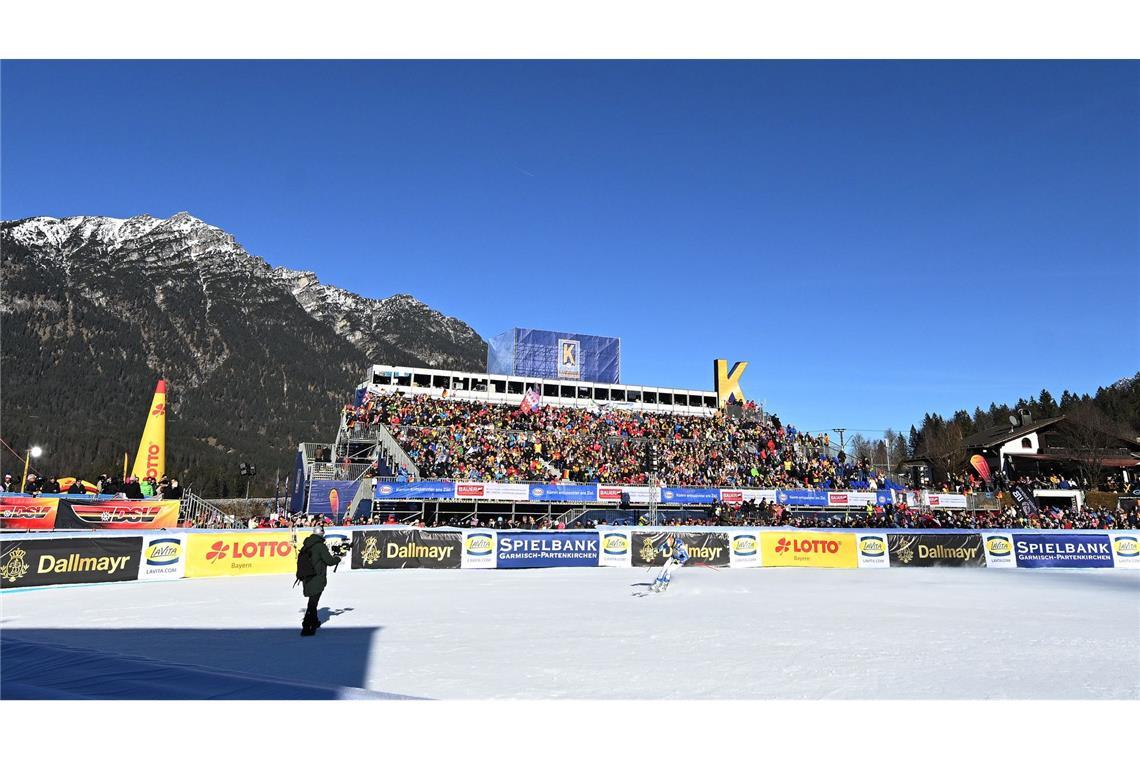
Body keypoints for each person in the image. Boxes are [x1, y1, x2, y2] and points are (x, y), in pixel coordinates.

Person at [297, 526, 341, 636]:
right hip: (316, 577)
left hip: (307, 576)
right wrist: (338, 558)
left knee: (313, 599)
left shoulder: (306, 545)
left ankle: (314, 621)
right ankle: (307, 626)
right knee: (313, 602)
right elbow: (329, 561)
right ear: (321, 534)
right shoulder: (320, 546)